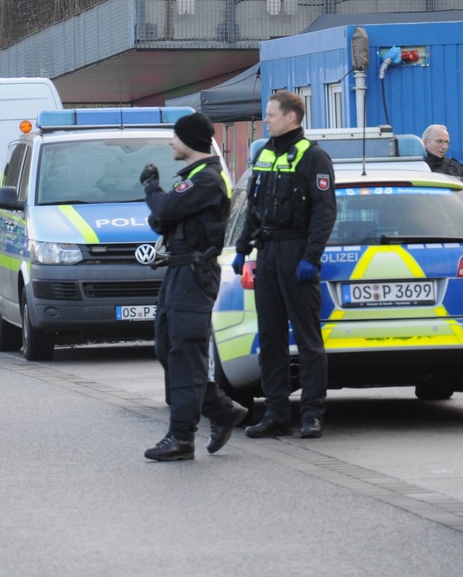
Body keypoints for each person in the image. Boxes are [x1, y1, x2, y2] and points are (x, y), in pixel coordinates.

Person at [138, 112, 248, 461]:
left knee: (185, 352)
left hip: (194, 274)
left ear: (189, 141)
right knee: (167, 347)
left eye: (175, 136)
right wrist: (162, 205)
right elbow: (160, 220)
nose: (171, 142)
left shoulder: (207, 179)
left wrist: (151, 187)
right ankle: (221, 411)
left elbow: (165, 208)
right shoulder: (194, 177)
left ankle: (182, 435)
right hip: (177, 271)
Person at [233, 90, 336, 439]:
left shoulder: (314, 157)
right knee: (270, 338)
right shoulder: (263, 154)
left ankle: (312, 413)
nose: (267, 119)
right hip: (268, 253)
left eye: (272, 114)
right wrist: (242, 248)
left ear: (291, 117)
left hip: (296, 252)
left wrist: (311, 258)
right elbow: (254, 207)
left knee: (308, 340)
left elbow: (325, 212)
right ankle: (276, 412)